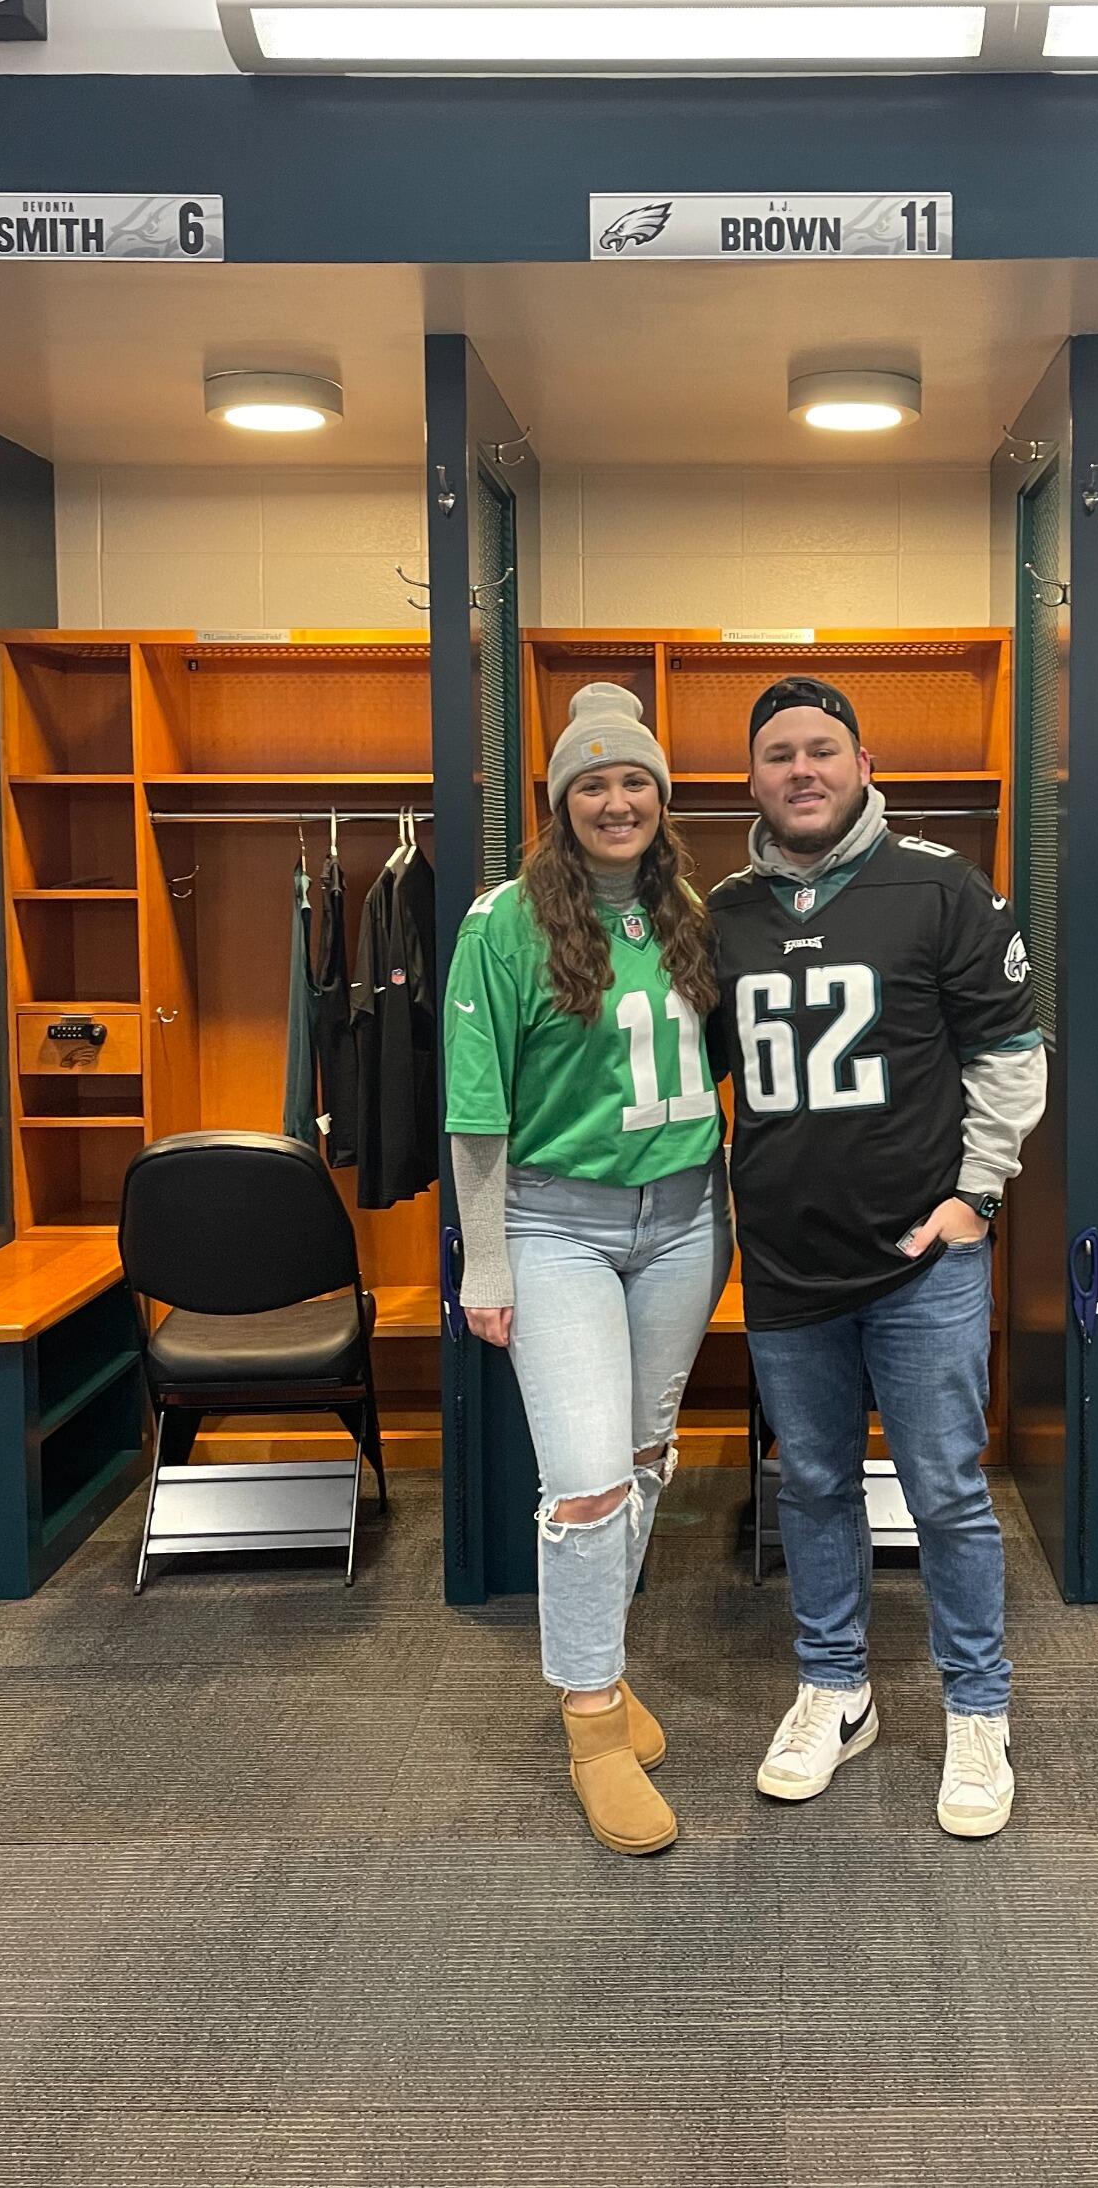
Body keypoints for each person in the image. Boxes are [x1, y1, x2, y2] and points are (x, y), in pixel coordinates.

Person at [708, 676, 1048, 1839]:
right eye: (778, 756)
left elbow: (1009, 1054)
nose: (801, 771)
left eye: (822, 750)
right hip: (789, 1263)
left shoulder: (940, 886)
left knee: (948, 1491)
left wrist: (974, 1197)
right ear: (750, 778)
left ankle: (977, 1706)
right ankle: (836, 1687)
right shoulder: (726, 912)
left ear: (860, 762)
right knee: (810, 1484)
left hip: (921, 1261)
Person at [444, 683, 732, 1857]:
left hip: (684, 1221)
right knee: (584, 1485)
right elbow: (475, 1114)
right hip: (557, 1225)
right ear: (560, 802)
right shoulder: (501, 922)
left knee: (646, 1454)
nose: (616, 799)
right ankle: (593, 1719)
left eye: (635, 780)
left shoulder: (698, 914)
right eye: (592, 782)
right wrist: (486, 1262)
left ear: (662, 799)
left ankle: (600, 1664)